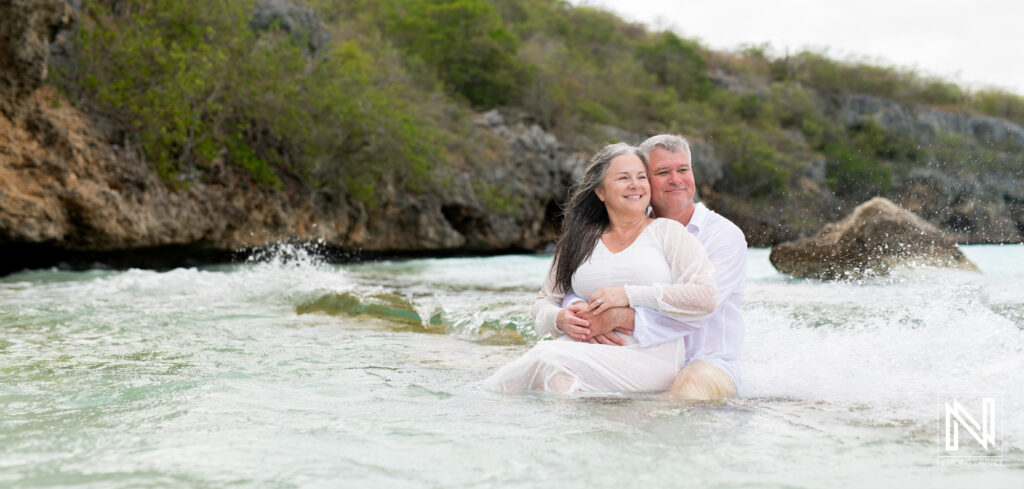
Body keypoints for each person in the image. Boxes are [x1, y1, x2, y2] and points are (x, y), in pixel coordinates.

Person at [482, 143, 718, 394]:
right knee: (551, 375)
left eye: (641, 177)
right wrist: (559, 319)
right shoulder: (578, 239)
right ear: (600, 191)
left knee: (542, 362)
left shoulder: (668, 233)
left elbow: (705, 297)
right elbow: (544, 302)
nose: (636, 185)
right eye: (623, 178)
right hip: (580, 349)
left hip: (650, 357)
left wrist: (629, 295)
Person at [563, 134, 747, 400]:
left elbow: (700, 310)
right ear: (644, 180)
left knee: (688, 389)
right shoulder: (624, 229)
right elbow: (588, 282)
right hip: (634, 356)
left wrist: (617, 317)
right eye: (663, 172)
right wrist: (577, 313)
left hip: (703, 362)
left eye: (683, 169)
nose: (676, 179)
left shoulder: (723, 236)